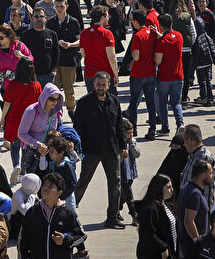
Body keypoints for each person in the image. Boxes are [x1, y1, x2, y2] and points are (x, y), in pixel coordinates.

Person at [73, 71, 127, 229]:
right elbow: (77, 128)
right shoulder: (84, 103)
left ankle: (112, 217)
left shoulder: (114, 101)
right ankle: (67, 211)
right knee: (83, 182)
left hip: (112, 149)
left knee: (115, 184)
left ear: (109, 85)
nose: (100, 87)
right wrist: (77, 148)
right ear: (94, 84)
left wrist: (123, 146)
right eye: (98, 84)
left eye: (104, 85)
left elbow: (119, 126)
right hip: (91, 150)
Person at [17, 172, 84, 259]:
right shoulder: (32, 212)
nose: (45, 188)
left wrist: (65, 240)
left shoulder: (67, 213)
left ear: (59, 193)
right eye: (45, 185)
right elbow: (22, 240)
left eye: (50, 186)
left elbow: (81, 236)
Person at [137, 174, 179, 259]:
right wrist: (162, 247)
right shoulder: (150, 209)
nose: (172, 189)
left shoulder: (164, 204)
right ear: (159, 188)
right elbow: (147, 234)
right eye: (168, 187)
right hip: (154, 254)